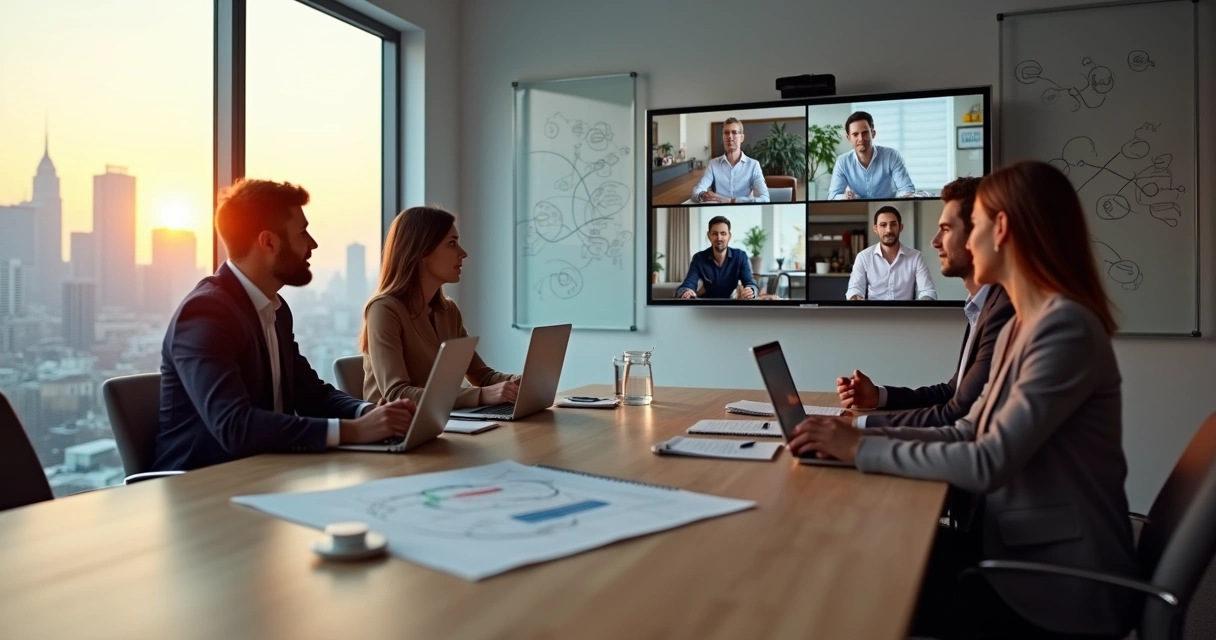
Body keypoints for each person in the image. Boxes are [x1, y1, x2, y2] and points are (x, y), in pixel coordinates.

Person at [789, 161, 1139, 639]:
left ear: (1002, 228)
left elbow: (990, 460)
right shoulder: (1023, 324)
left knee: (853, 584)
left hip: (1053, 583)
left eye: (971, 226)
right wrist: (853, 433)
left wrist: (858, 447)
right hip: (1010, 543)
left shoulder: (1065, 328)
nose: (964, 242)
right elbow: (968, 428)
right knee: (858, 556)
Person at [151, 179, 415, 472]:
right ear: (269, 242)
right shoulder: (205, 313)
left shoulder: (275, 309)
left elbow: (311, 394)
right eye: (302, 233)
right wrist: (356, 431)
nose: (312, 244)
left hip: (268, 473)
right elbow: (234, 426)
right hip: (202, 487)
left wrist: (371, 413)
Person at [838, 178, 1015, 427]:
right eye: (883, 225)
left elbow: (955, 414)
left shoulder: (1002, 311)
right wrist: (879, 396)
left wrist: (857, 426)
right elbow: (951, 393)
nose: (935, 241)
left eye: (946, 229)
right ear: (875, 228)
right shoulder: (980, 307)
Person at [361, 206, 518, 408]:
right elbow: (397, 394)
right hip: (398, 430)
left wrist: (516, 382)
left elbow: (481, 375)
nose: (463, 253)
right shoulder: (384, 310)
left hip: (441, 422)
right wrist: (481, 395)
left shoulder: (448, 311)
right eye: (452, 243)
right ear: (421, 252)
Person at [845, 206, 937, 300]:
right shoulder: (863, 257)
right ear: (875, 229)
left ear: (901, 227)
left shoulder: (916, 257)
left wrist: (922, 307)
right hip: (873, 313)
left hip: (905, 314)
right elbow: (855, 289)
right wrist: (855, 299)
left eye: (893, 224)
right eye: (883, 225)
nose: (889, 230)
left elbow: (927, 291)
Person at [827, 111, 915, 200]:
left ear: (873, 134)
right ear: (849, 138)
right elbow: (833, 196)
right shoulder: (842, 162)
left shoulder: (891, 156)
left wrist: (902, 196)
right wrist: (845, 198)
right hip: (858, 210)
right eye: (855, 134)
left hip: (889, 208)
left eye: (865, 133)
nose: (861, 139)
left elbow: (906, 189)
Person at [690, 117, 770, 203]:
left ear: (742, 138)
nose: (730, 137)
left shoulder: (753, 165)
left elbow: (765, 198)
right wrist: (703, 195)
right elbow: (697, 190)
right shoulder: (713, 164)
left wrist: (733, 201)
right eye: (726, 133)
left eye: (734, 132)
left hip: (744, 211)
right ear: (723, 137)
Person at [676, 215, 758, 299]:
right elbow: (689, 282)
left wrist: (750, 290)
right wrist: (686, 291)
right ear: (709, 236)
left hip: (730, 306)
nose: (719, 238)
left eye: (723, 233)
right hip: (705, 306)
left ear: (729, 236)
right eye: (715, 234)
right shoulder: (699, 258)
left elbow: (750, 282)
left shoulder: (740, 256)